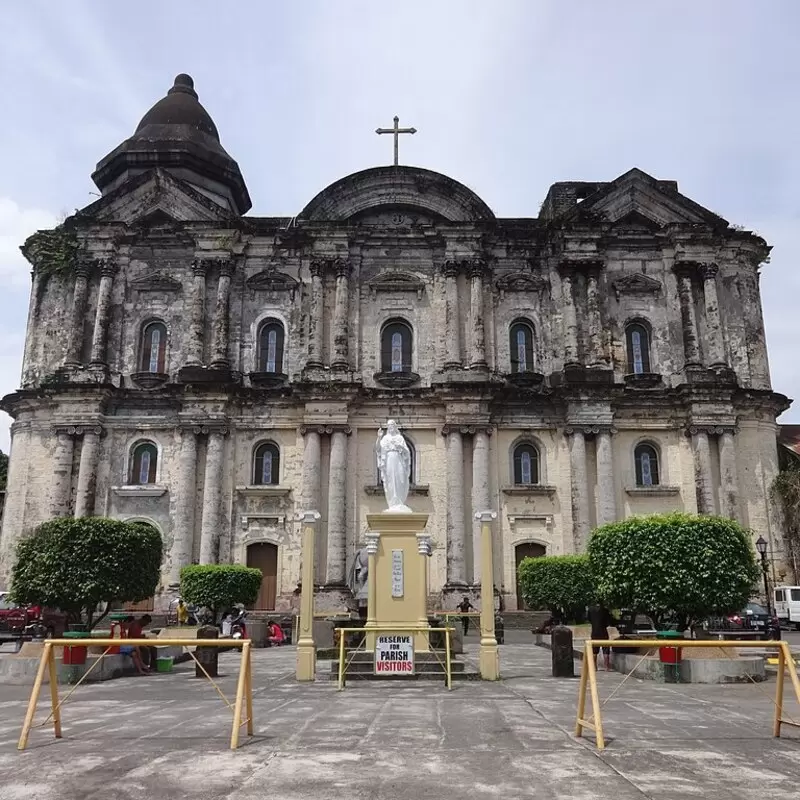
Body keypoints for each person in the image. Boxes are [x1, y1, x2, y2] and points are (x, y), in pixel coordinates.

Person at [588, 603, 617, 670]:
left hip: (594, 631)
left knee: (594, 650)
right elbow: (609, 621)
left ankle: (594, 666)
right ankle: (607, 667)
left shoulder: (590, 610)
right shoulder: (605, 610)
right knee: (606, 649)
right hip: (603, 631)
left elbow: (589, 620)